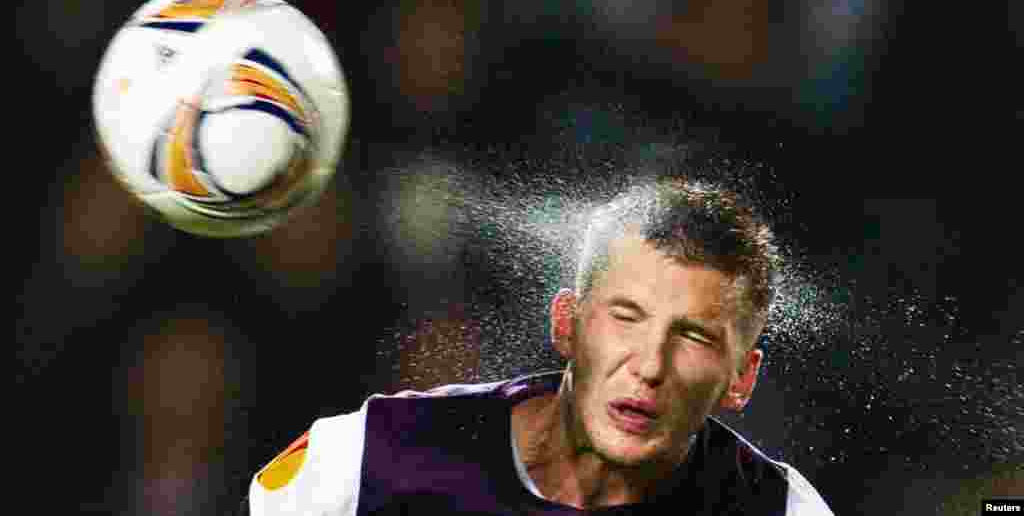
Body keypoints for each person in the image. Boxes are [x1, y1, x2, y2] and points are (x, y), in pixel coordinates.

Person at [248, 178, 835, 515]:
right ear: (567, 325)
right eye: (626, 317)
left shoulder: (780, 512)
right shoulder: (369, 461)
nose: (650, 367)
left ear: (741, 378)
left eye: (692, 336)